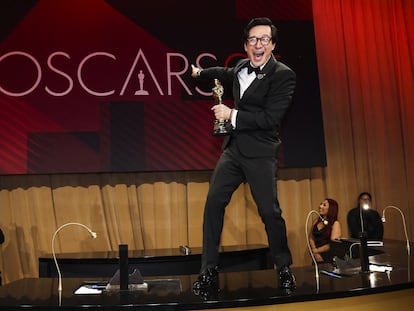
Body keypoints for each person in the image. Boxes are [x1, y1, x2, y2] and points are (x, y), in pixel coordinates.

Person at [190, 17, 296, 295]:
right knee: (213, 204)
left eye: (263, 39)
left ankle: (284, 267)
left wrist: (231, 114)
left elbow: (270, 118)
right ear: (246, 46)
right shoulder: (239, 67)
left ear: (272, 44)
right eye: (252, 39)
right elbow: (223, 72)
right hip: (234, 150)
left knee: (269, 212)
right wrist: (200, 73)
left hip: (261, 152)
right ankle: (208, 270)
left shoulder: (283, 75)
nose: (257, 44)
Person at [309, 198, 342, 263]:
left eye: (324, 205)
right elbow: (311, 238)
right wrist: (315, 252)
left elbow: (333, 244)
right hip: (315, 255)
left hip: (328, 255)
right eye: (321, 204)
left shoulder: (335, 223)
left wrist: (317, 250)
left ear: (331, 209)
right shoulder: (316, 221)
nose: (320, 206)